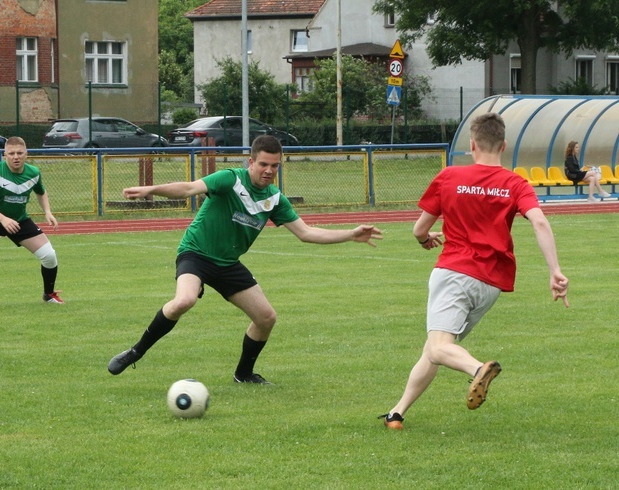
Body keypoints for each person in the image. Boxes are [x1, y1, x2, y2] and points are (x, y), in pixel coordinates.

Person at [108, 135, 383, 383]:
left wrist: (351, 234)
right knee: (184, 300)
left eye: (275, 166)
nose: (269, 171)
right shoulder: (230, 179)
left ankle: (243, 374)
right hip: (196, 253)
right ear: (251, 161)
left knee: (266, 318)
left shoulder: (275, 199)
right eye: (264, 164)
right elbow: (189, 188)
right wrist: (151, 190)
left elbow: (306, 233)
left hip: (227, 264)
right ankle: (135, 351)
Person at [379, 112, 569, 430]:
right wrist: (555, 271)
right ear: (503, 145)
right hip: (490, 284)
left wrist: (426, 239)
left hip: (454, 271)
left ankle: (479, 368)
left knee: (440, 348)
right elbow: (538, 221)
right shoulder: (515, 183)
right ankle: (397, 413)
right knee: (436, 349)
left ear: (472, 145)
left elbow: (418, 229)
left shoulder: (450, 177)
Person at [0, 136, 63, 307]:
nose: (16, 156)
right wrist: (2, 219)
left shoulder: (34, 173)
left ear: (26, 154)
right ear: (5, 155)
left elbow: (41, 192)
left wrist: (47, 211)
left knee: (50, 256)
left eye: (20, 153)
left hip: (19, 221)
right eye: (12, 153)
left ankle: (49, 294)